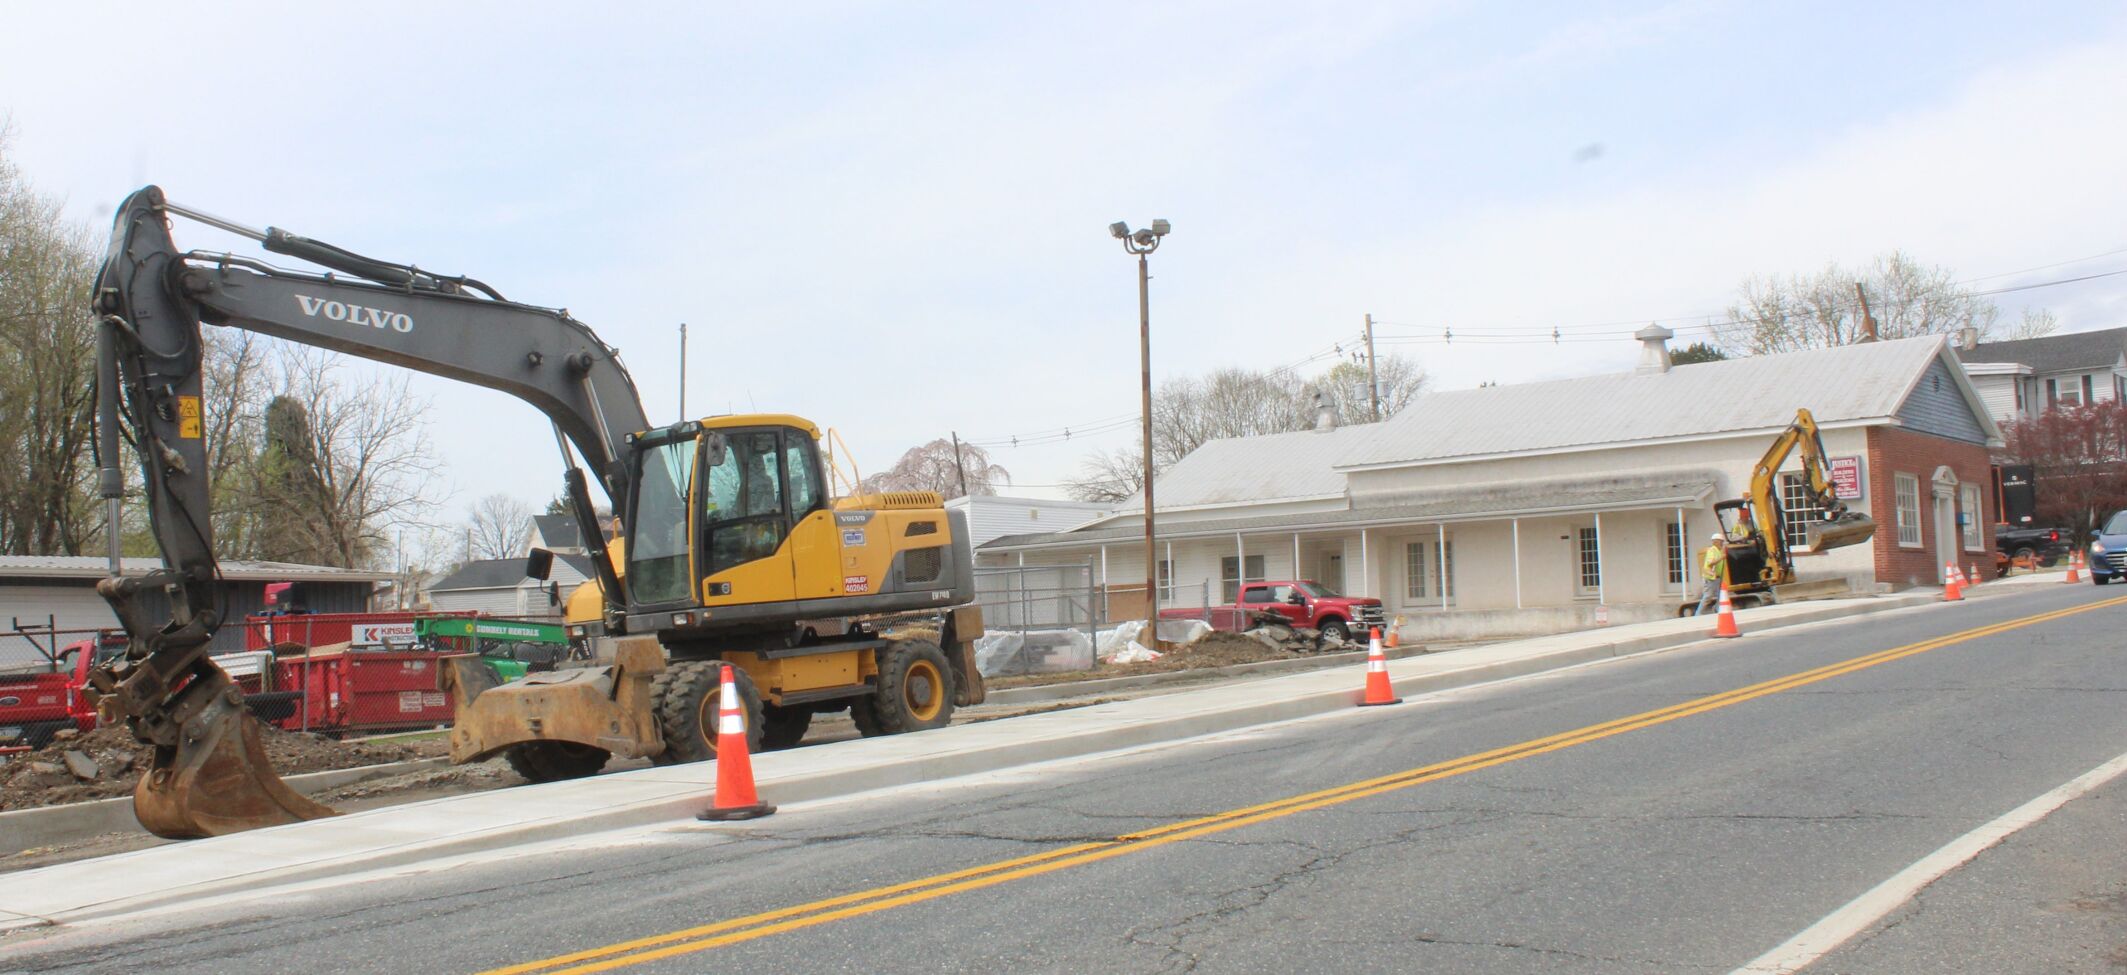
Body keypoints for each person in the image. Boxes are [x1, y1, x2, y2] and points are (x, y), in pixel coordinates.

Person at [1694, 532, 1729, 616]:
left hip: (1717, 577)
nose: (1722, 543)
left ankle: (1717, 609)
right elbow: (1710, 563)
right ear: (1715, 542)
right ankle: (1698, 613)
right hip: (1710, 578)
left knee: (1721, 595)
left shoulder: (1718, 551)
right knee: (1708, 596)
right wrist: (1721, 557)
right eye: (1721, 541)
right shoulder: (1712, 550)